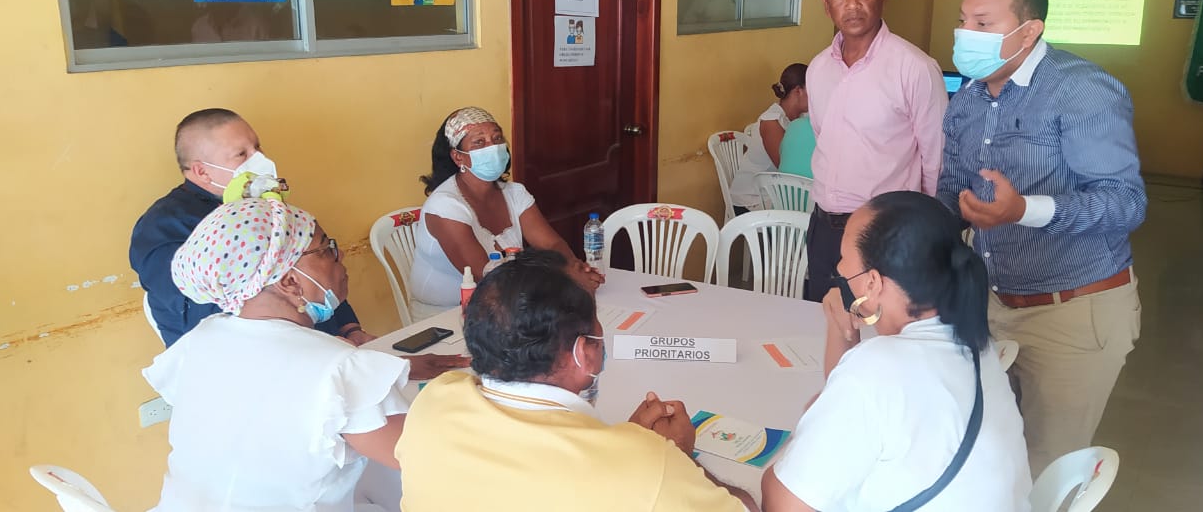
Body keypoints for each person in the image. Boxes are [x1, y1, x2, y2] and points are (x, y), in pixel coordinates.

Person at [936, 0, 1145, 475]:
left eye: (983, 24)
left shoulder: (1083, 90)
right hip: (989, 302)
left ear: (1029, 31)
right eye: (962, 20)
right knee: (985, 451)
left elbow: (1125, 203)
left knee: (1047, 465)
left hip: (1071, 311)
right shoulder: (968, 96)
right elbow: (951, 191)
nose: (966, 34)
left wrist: (1024, 210)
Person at [396, 250, 757, 511]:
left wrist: (628, 446)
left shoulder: (434, 401)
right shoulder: (648, 467)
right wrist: (677, 457)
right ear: (584, 352)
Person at [129, 109, 465, 379]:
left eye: (258, 148)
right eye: (241, 154)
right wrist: (326, 355)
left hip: (316, 351)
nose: (259, 159)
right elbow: (209, 314)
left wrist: (350, 329)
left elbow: (318, 271)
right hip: (242, 370)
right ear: (202, 172)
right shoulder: (164, 228)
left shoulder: (265, 208)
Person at [144, 199, 423, 511]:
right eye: (326, 249)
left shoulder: (200, 339)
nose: (340, 255)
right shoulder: (337, 367)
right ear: (289, 281)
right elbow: (422, 460)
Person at [762, 191, 1031, 511]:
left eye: (844, 257)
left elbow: (784, 505)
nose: (839, 268)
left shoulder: (877, 367)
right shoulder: (976, 348)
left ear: (873, 283)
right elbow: (848, 404)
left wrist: (784, 457)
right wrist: (839, 326)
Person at [804, 0, 948, 303]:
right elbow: (825, 139)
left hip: (885, 232)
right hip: (824, 228)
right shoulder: (818, 69)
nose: (852, 4)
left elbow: (937, 161)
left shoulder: (915, 68)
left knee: (881, 327)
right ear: (826, 3)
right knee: (822, 322)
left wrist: (923, 234)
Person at [410, 107, 603, 317]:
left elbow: (551, 244)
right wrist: (564, 279)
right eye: (479, 142)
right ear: (458, 157)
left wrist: (573, 270)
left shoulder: (514, 193)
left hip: (511, 303)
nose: (493, 147)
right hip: (446, 316)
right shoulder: (445, 205)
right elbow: (484, 275)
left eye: (497, 138)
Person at [730, 63, 809, 213]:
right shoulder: (771, 122)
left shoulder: (798, 119)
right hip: (751, 199)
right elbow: (787, 168)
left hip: (774, 192)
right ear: (798, 91)